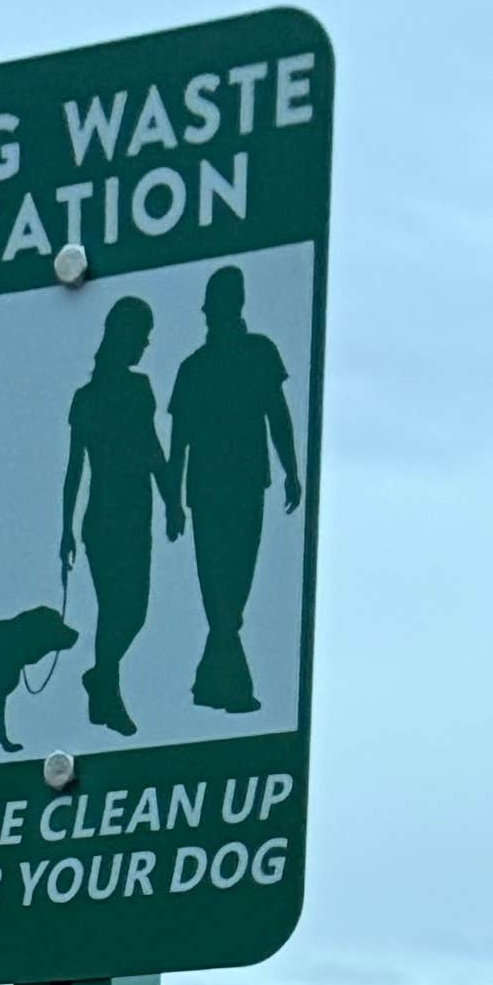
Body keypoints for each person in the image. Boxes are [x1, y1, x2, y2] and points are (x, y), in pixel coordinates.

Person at [163, 266, 302, 719]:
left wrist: (292, 471)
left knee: (235, 583)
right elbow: (178, 439)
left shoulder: (260, 353)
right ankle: (231, 685)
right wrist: (171, 502)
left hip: (246, 484)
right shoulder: (193, 368)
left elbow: (276, 416)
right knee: (216, 584)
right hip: (205, 491)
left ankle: (214, 679)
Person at [55, 298, 177, 741]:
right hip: (103, 517)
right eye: (141, 334)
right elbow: (75, 470)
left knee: (135, 611)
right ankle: (109, 691)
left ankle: (101, 677)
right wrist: (65, 528)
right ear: (121, 335)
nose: (146, 344)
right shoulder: (86, 399)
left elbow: (152, 449)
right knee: (115, 611)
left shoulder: (141, 388)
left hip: (136, 512)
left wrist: (171, 501)